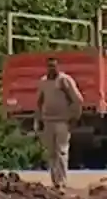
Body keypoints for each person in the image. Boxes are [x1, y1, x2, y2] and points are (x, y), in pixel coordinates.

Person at [34, 54, 85, 190]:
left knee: (61, 151)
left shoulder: (64, 81)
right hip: (48, 122)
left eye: (54, 66)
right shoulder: (43, 82)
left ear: (58, 66)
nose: (52, 68)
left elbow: (78, 100)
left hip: (62, 122)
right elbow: (39, 102)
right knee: (51, 153)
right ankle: (54, 181)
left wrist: (74, 116)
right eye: (49, 66)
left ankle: (62, 182)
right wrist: (38, 120)